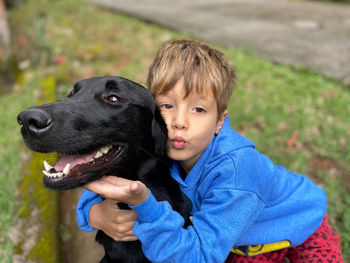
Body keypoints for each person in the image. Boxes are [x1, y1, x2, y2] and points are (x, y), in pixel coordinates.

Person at [76, 40, 343, 262]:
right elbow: (105, 170)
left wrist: (144, 205)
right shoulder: (161, 142)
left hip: (296, 229)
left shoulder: (237, 171)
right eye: (167, 106)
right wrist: (94, 214)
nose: (180, 122)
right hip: (228, 237)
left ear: (219, 122)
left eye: (198, 109)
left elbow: (200, 257)